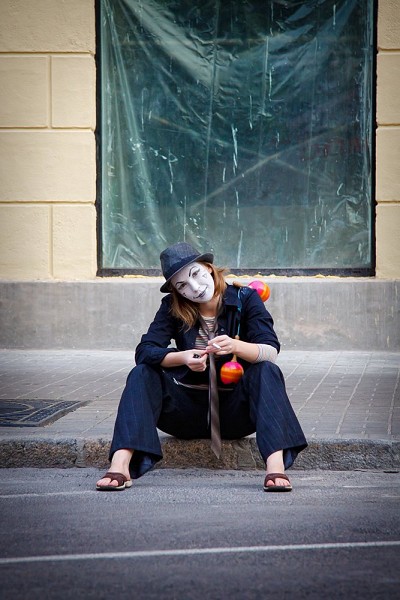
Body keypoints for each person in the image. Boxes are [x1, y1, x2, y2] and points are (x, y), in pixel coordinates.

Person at [96, 242, 307, 493]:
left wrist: (235, 346)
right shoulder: (172, 306)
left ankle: (275, 468)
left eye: (196, 274)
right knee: (142, 373)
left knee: (267, 371)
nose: (194, 288)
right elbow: (144, 351)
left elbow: (270, 351)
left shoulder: (246, 298)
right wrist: (182, 357)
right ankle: (120, 465)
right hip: (184, 412)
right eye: (182, 285)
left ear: (208, 267)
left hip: (236, 412)